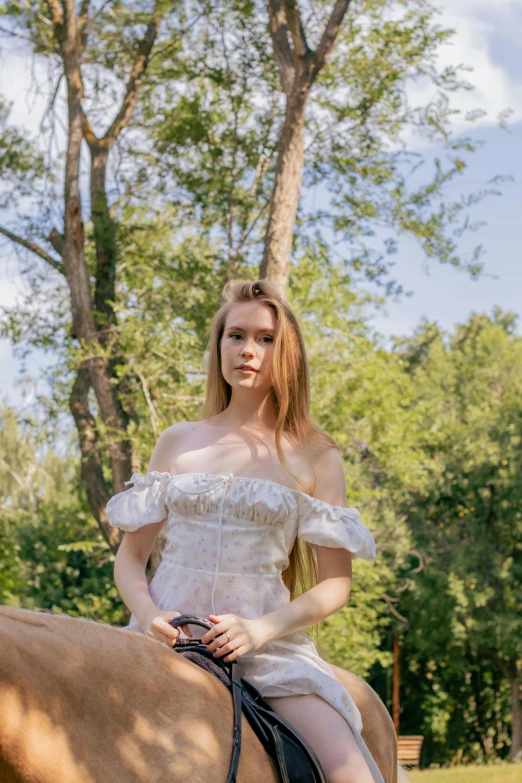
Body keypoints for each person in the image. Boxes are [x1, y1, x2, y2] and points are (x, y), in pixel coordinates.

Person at [106, 279, 383, 783]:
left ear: (287, 352)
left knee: (355, 780)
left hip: (269, 652)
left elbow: (336, 584)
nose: (248, 350)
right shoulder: (177, 443)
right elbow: (131, 558)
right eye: (236, 336)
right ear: (219, 347)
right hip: (161, 643)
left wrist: (259, 629)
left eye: (265, 338)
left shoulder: (316, 455)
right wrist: (147, 615)